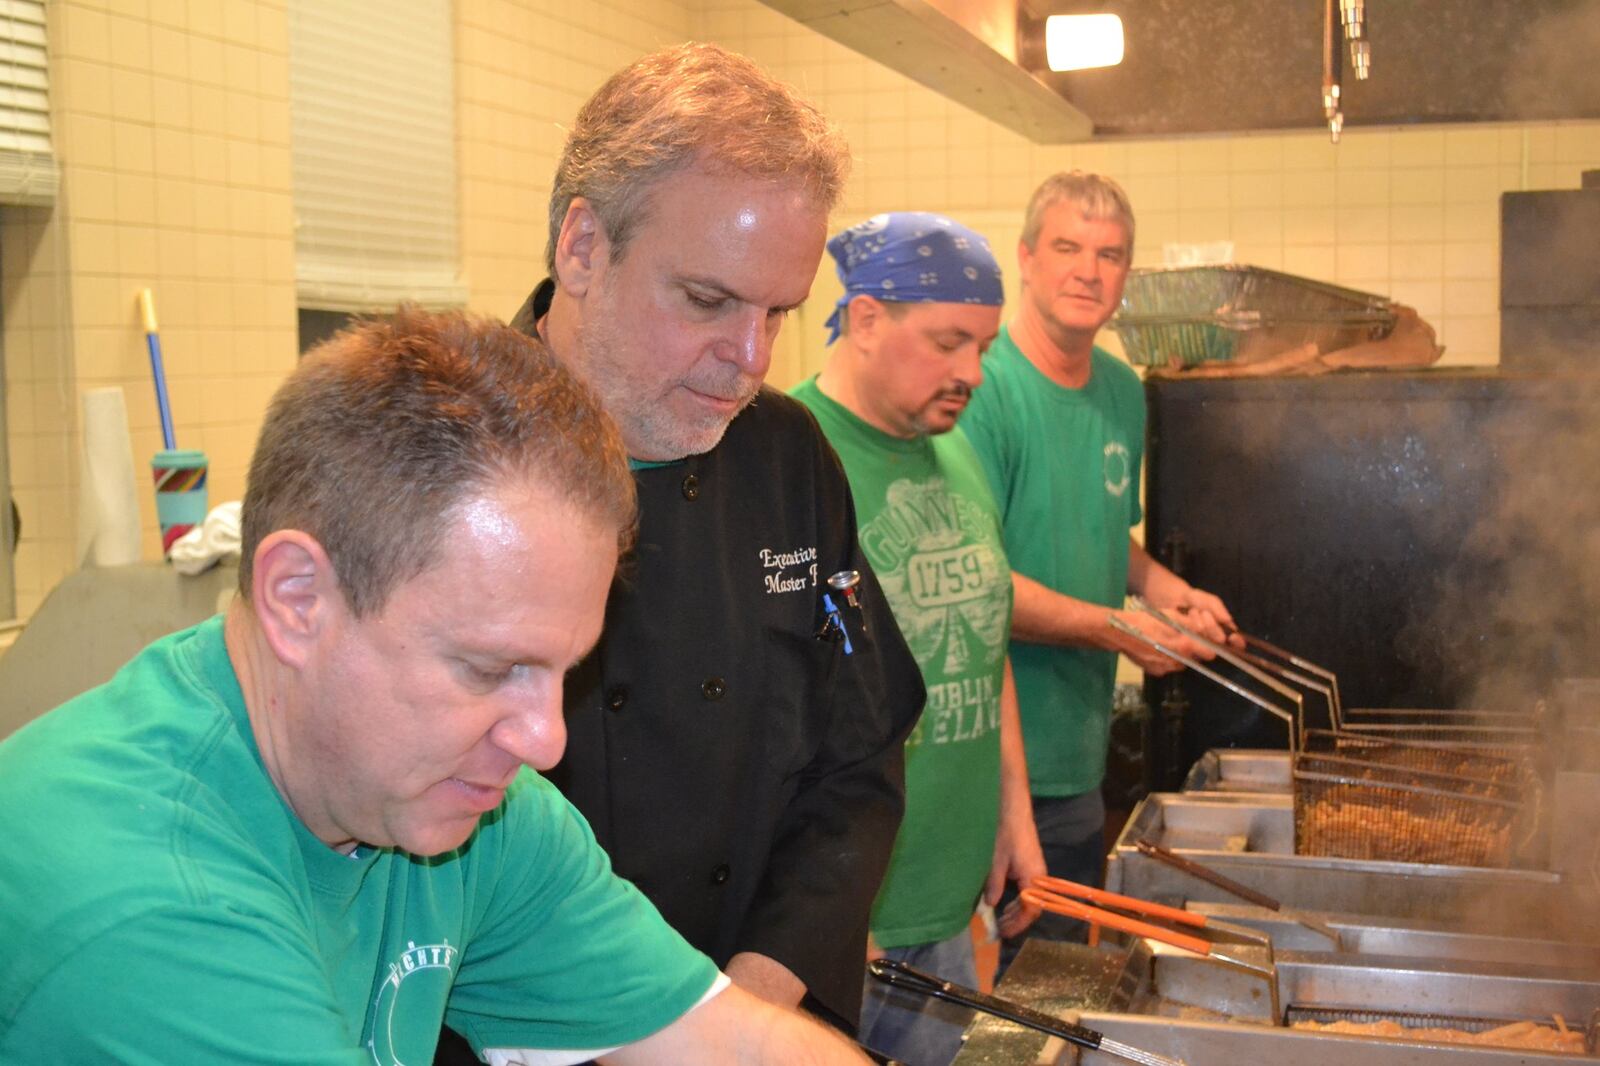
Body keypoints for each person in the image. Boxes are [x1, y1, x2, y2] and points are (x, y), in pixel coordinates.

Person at [0, 309, 873, 1065]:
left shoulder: (461, 809)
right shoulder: (154, 913)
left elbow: (731, 1042)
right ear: (297, 600)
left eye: (564, 672)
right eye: (489, 670)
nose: (544, 740)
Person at [505, 43, 925, 1034]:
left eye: (778, 312)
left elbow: (857, 760)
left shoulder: (786, 456)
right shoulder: (441, 454)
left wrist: (756, 993)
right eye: (706, 300)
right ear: (581, 247)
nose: (748, 359)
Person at [790, 212, 1047, 1065]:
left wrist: (1013, 811)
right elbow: (762, 714)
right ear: (866, 319)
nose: (971, 372)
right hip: (843, 921)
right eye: (947, 343)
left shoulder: (957, 452)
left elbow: (985, 638)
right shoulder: (786, 462)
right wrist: (822, 909)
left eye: (982, 346)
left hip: (946, 901)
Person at [958, 172, 1237, 955]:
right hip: (992, 759)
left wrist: (1170, 592)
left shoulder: (1121, 390)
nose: (1089, 270)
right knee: (1000, 990)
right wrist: (1121, 631)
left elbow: (1104, 532)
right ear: (1026, 258)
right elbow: (978, 585)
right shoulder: (984, 391)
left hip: (1079, 752)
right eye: (1068, 248)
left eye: (1110, 254)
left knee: (1060, 972)